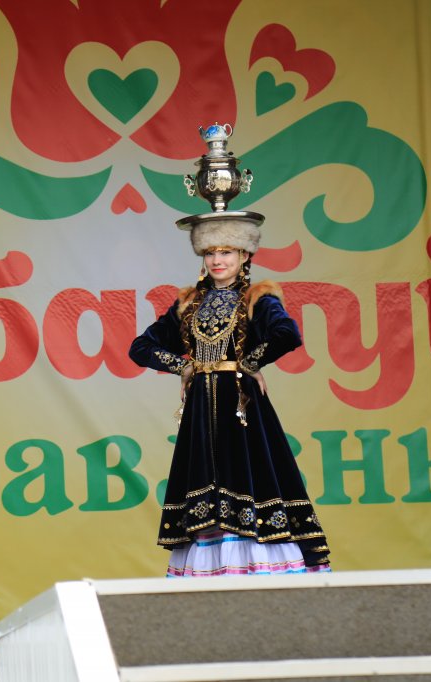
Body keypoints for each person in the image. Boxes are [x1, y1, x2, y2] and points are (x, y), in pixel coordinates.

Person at [129, 216, 331, 576]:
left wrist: (249, 362)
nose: (217, 260)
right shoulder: (188, 304)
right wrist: (184, 367)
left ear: (244, 255)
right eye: (210, 252)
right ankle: (213, 566)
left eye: (226, 252)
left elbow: (287, 333)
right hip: (200, 411)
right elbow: (141, 347)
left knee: (248, 477)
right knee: (205, 482)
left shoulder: (257, 299)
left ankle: (252, 564)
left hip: (241, 406)